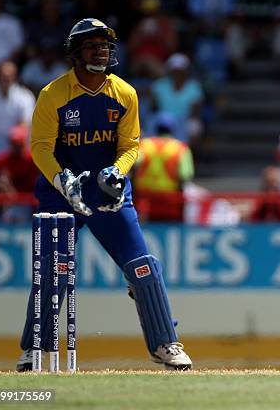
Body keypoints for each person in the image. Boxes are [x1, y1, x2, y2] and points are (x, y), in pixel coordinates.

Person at [16, 18, 192, 371]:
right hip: (59, 194)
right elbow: (40, 148)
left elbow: (130, 146)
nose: (101, 51)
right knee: (54, 269)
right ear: (76, 53)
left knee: (142, 266)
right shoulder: (53, 95)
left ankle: (164, 343)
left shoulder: (124, 93)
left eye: (105, 45)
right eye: (93, 45)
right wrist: (60, 178)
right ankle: (35, 350)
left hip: (108, 195)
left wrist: (118, 171)